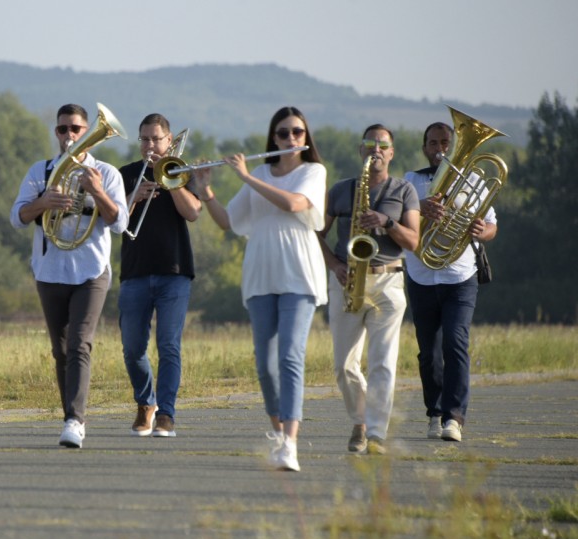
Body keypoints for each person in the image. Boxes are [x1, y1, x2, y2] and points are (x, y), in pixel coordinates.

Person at [194, 107, 328, 471]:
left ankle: (290, 442)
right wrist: (206, 191)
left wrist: (244, 177)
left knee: (289, 356)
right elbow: (227, 221)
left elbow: (294, 203)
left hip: (299, 275)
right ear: (274, 137)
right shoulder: (259, 172)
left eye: (297, 133)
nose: (290, 139)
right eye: (283, 133)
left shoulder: (313, 172)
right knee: (265, 366)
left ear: (305, 137)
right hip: (260, 275)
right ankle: (279, 432)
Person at [10, 103, 128, 449]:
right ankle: (70, 416)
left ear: (89, 131)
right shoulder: (41, 171)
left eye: (76, 129)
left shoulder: (107, 173)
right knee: (60, 350)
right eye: (63, 130)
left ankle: (75, 420)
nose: (70, 136)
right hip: (49, 270)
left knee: (79, 343)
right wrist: (44, 202)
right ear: (56, 133)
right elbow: (17, 217)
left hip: (91, 271)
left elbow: (120, 223)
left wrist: (97, 191)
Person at [317, 124, 420, 455]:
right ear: (361, 151)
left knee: (382, 362)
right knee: (344, 365)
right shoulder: (340, 190)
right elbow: (316, 234)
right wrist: (334, 265)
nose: (376, 149)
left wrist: (387, 223)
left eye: (382, 145)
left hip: (388, 280)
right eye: (369, 144)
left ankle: (375, 434)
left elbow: (415, 242)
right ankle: (360, 420)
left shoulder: (404, 191)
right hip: (347, 280)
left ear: (391, 153)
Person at [404, 122, 497, 443]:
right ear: (424, 147)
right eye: (433, 143)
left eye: (445, 142)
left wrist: (480, 230)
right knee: (429, 353)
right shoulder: (411, 181)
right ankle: (434, 413)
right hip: (421, 274)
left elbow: (491, 226)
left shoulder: (473, 180)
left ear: (456, 144)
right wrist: (419, 210)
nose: (440, 148)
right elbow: (400, 223)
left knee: (455, 344)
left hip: (460, 275)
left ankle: (454, 417)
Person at [119, 113, 200, 438]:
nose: (150, 145)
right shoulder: (125, 174)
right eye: (145, 139)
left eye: (156, 139)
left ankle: (166, 413)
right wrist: (133, 198)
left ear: (169, 142)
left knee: (169, 345)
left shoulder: (181, 172)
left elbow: (193, 212)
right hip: (135, 271)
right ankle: (145, 402)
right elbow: (114, 222)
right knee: (132, 348)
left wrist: (171, 180)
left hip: (174, 271)